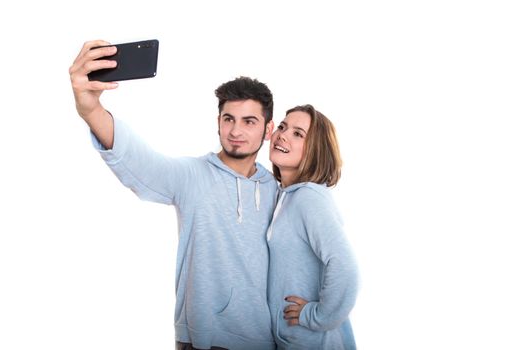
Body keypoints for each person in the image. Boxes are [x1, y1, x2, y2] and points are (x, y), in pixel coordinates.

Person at [69, 40, 278, 350]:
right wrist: (91, 109)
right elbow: (141, 162)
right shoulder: (191, 175)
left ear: (268, 129)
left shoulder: (279, 190)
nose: (236, 131)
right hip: (201, 338)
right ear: (218, 121)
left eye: (249, 122)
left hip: (266, 341)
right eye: (228, 119)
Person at [266, 104, 359, 349]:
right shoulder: (285, 197)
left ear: (316, 150)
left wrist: (316, 316)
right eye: (283, 127)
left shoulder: (308, 198)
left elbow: (345, 266)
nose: (282, 135)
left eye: (298, 133)